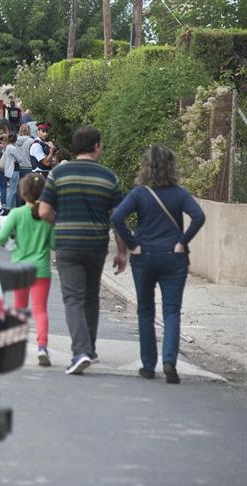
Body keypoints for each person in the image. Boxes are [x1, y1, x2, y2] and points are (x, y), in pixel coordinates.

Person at [111, 144, 206, 384]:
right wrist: (182, 242)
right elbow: (199, 217)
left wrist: (133, 244)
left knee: (145, 310)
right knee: (171, 310)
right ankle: (170, 361)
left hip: (144, 256)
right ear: (171, 166)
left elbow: (117, 217)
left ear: (146, 166)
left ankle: (148, 365)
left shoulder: (139, 193)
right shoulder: (180, 193)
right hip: (174, 257)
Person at [39, 126, 128, 376]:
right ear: (96, 146)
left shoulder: (58, 174)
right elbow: (118, 219)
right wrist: (122, 252)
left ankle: (80, 352)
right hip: (96, 245)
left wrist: (61, 223)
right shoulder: (109, 177)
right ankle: (90, 349)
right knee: (91, 296)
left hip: (67, 244)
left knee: (73, 299)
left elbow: (44, 211)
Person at [0, 173, 55, 366]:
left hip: (20, 268)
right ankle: (42, 346)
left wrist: (13, 235)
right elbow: (54, 244)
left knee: (20, 308)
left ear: (23, 192)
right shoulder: (47, 215)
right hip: (42, 268)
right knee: (40, 309)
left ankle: (16, 346)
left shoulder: (17, 214)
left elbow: (0, 238)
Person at [4, 133, 21, 210]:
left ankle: (12, 207)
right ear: (15, 139)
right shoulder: (13, 148)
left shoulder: (7, 147)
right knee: (13, 190)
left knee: (12, 189)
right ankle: (8, 207)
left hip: (9, 170)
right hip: (14, 170)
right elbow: (20, 159)